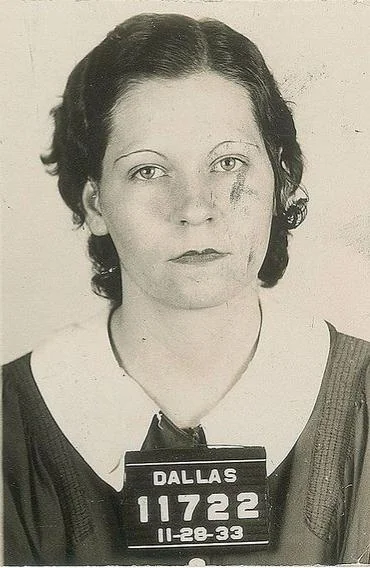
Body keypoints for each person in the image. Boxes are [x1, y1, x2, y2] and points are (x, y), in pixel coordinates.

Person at [3, 12, 369, 566]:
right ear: (94, 202)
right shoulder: (11, 423)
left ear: (281, 180)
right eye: (148, 170)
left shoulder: (361, 402)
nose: (194, 208)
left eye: (227, 163)